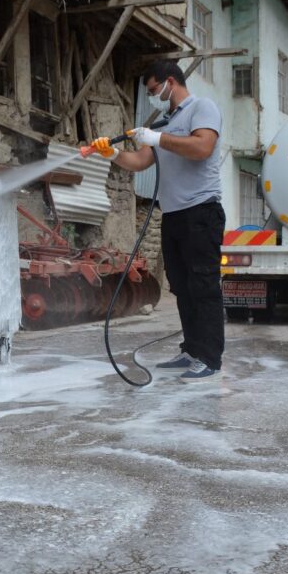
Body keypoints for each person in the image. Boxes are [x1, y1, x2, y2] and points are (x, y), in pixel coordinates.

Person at [91, 60, 225, 382]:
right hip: (174, 215)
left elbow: (202, 147)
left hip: (201, 212)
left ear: (169, 81)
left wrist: (158, 138)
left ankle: (209, 358)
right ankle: (191, 351)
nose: (153, 96)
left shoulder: (201, 108)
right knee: (181, 287)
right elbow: (138, 161)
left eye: (154, 90)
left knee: (203, 286)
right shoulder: (165, 123)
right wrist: (111, 154)